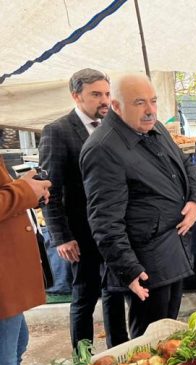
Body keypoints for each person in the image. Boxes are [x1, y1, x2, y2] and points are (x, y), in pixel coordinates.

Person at [80, 73, 196, 338]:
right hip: (146, 260)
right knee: (148, 341)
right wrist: (129, 270)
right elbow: (104, 220)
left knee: (168, 331)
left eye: (153, 101)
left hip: (173, 247)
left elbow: (186, 165)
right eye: (139, 102)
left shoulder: (155, 128)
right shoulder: (103, 148)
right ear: (116, 106)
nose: (150, 110)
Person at [38, 68, 128, 349]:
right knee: (85, 296)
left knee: (114, 291)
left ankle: (117, 351)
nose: (104, 100)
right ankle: (83, 357)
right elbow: (49, 190)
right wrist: (61, 236)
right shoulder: (58, 131)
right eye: (95, 94)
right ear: (76, 96)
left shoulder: (114, 126)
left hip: (112, 228)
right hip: (80, 232)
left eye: (106, 93)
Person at [0, 162, 50, 365]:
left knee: (16, 348)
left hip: (9, 279)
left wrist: (24, 187)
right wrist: (23, 191)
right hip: (3, 283)